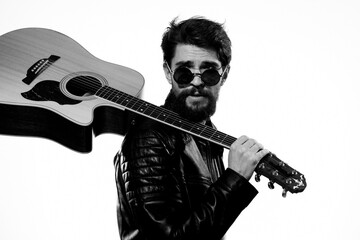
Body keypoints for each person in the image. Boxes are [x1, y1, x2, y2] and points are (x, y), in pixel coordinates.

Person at [114, 16, 269, 240]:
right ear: (168, 73)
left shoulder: (210, 140)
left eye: (209, 72)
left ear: (224, 75)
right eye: (184, 73)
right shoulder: (150, 136)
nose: (197, 82)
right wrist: (233, 180)